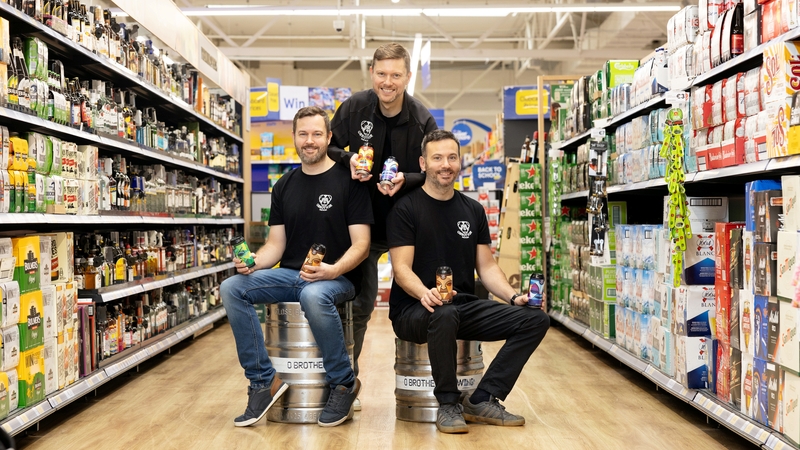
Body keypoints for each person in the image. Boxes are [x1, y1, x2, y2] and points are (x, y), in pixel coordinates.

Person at [387, 129, 550, 434]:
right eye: (437, 158)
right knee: (444, 312)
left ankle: (483, 398)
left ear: (460, 162)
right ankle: (449, 404)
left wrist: (514, 298)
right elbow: (401, 269)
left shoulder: (472, 210)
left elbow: (486, 268)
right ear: (423, 163)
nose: (445, 164)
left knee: (535, 319)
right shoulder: (406, 209)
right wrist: (426, 294)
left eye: (451, 157)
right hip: (413, 310)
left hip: (461, 306)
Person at [221, 106, 373, 428]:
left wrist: (332, 270)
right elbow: (276, 244)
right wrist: (253, 263)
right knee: (232, 288)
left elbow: (362, 244)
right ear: (293, 138)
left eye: (317, 134)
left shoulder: (351, 182)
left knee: (314, 296)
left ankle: (344, 383)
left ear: (329, 137)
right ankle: (264, 381)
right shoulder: (284, 186)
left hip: (338, 277)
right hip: (291, 274)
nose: (309, 140)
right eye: (303, 134)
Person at [328, 43, 438, 407]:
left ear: (407, 77)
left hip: (407, 225)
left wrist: (403, 180)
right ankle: (347, 386)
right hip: (361, 222)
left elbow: (432, 170)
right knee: (358, 306)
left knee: (415, 304)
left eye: (395, 75)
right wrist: (349, 161)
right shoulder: (354, 107)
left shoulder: (422, 118)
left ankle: (422, 388)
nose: (387, 82)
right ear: (371, 74)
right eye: (381, 73)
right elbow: (330, 148)